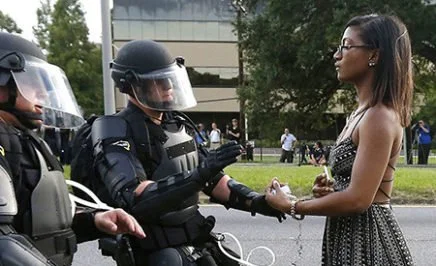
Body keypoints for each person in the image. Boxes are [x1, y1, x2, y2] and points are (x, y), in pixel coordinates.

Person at [89, 39, 285, 265]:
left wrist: (257, 202)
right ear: (134, 86)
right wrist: (199, 175)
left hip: (194, 235)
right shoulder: (113, 129)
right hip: (152, 246)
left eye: (169, 78)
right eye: (159, 80)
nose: (168, 86)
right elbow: (134, 196)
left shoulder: (176, 123)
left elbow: (213, 180)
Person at [266, 14, 414, 265]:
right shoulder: (362, 113)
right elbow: (353, 188)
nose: (337, 55)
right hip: (348, 236)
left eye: (346, 46)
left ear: (374, 55)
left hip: (369, 244)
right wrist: (330, 192)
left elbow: (358, 199)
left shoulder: (379, 116)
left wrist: (292, 205)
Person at [0, 32, 145, 266]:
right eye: (31, 82)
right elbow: (3, 244)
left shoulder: (28, 140)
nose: (43, 93)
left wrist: (95, 220)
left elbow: (39, 222)